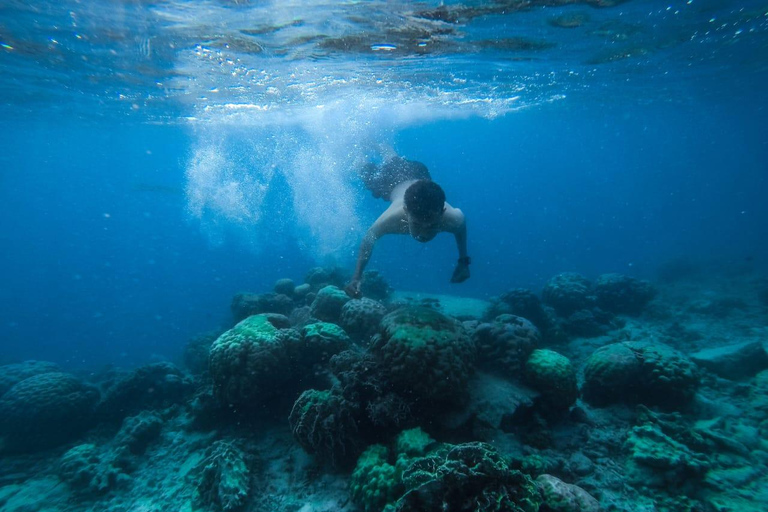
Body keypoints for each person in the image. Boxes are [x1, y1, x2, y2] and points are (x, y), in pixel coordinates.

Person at [345, 155, 470, 299]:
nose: (423, 234)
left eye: (432, 226)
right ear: (405, 211)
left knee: (397, 162)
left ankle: (388, 153)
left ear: (442, 212)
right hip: (390, 182)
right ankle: (360, 159)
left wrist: (464, 262)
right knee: (368, 177)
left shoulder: (454, 219)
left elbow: (461, 229)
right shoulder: (393, 218)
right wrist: (356, 277)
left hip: (420, 173)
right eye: (416, 224)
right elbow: (369, 237)